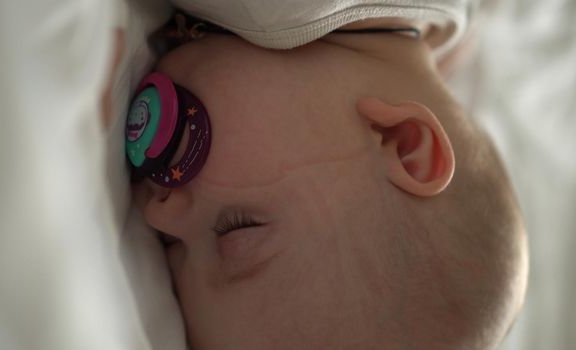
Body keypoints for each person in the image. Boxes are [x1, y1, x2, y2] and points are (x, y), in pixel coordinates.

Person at [132, 1, 528, 349]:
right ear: (401, 142)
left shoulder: (430, 28)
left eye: (171, 245)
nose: (157, 214)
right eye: (237, 230)